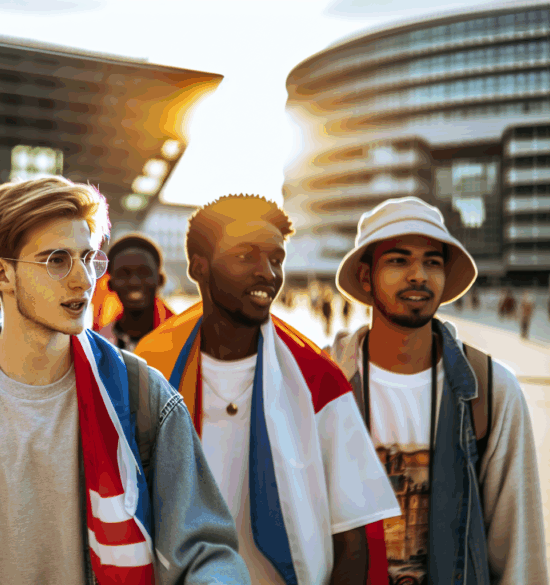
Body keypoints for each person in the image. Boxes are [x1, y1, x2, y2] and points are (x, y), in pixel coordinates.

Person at [0, 176, 249, 584]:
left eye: (88, 257)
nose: (84, 280)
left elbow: (204, 552)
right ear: (2, 274)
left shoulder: (141, 395)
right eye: (57, 260)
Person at [135, 194, 399, 585]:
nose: (268, 273)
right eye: (246, 256)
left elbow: (353, 540)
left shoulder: (318, 381)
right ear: (198, 267)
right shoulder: (151, 370)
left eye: (276, 259)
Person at [324, 197, 548, 585]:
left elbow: (518, 552)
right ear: (365, 276)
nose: (418, 275)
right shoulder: (323, 383)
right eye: (398, 260)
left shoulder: (491, 391)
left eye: (433, 261)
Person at [92, 233, 175, 351]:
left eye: (144, 272)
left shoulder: (183, 338)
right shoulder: (98, 344)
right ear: (110, 285)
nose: (134, 282)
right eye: (123, 274)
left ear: (160, 280)